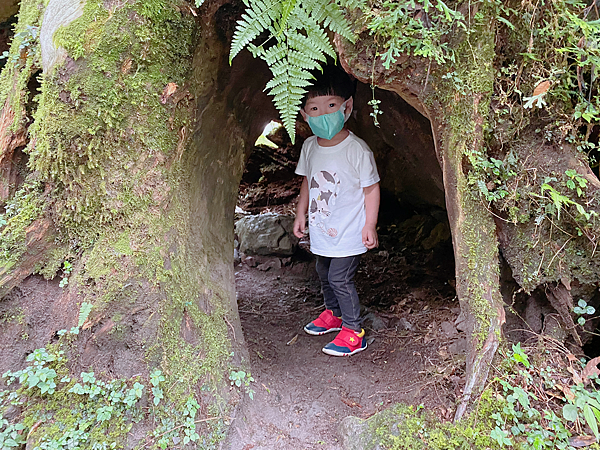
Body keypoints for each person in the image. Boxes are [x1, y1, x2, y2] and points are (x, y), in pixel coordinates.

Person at [293, 64, 380, 357]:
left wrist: (370, 225)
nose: (323, 113)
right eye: (314, 108)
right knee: (322, 270)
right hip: (322, 230)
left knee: (339, 278)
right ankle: (334, 315)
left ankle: (354, 331)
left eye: (331, 105)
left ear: (346, 107)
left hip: (349, 232)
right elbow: (307, 181)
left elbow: (371, 188)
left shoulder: (357, 150)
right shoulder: (309, 147)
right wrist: (300, 213)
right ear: (304, 115)